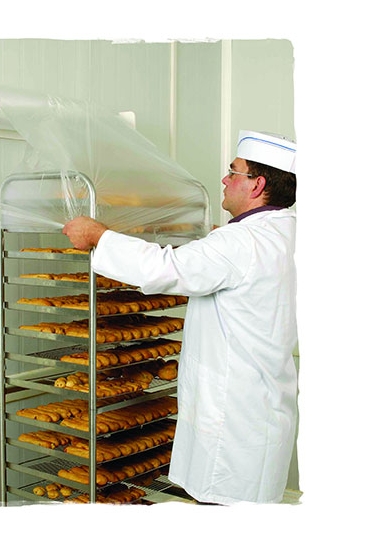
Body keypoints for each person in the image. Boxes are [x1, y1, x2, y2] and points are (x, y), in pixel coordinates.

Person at [62, 130, 298, 505]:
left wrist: (99, 236)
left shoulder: (240, 243)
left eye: (233, 172)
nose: (225, 179)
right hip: (263, 407)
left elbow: (164, 268)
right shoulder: (286, 233)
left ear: (257, 185)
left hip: (233, 416)